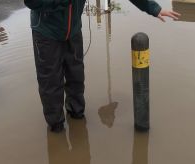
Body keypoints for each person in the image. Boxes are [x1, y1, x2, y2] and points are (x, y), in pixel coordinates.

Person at [24, 0, 180, 133]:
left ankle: (77, 116)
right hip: (46, 33)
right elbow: (32, 2)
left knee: (76, 76)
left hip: (73, 31)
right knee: (50, 83)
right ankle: (56, 127)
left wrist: (154, 8)